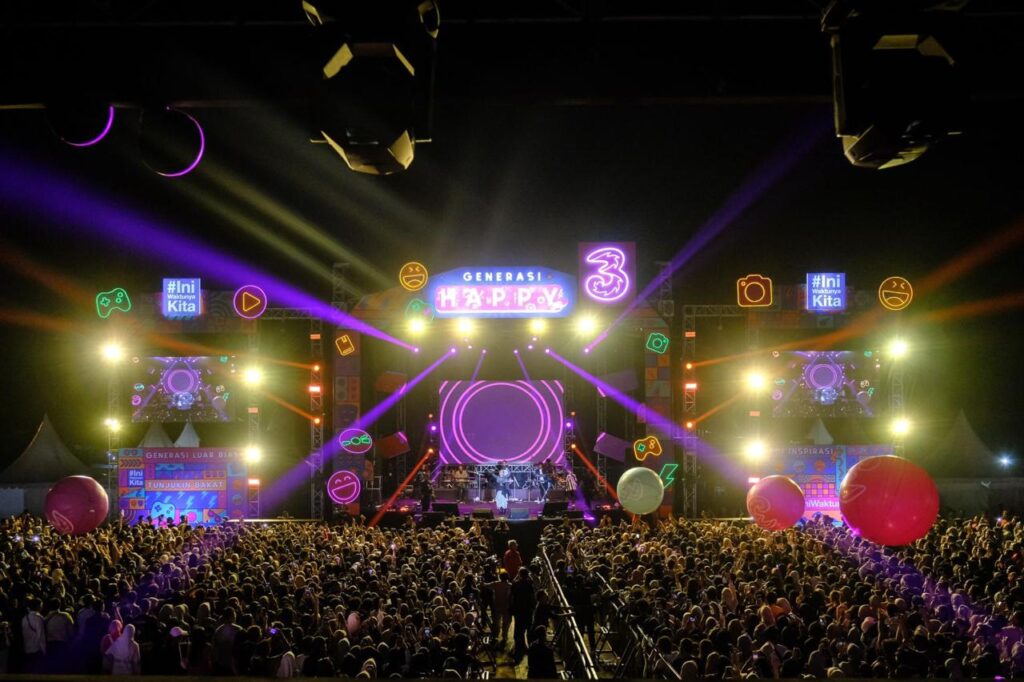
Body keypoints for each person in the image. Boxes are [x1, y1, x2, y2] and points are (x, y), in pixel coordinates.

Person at [510, 567, 535, 663]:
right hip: (528, 610)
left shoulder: (516, 584)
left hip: (518, 609)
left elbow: (512, 596)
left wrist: (511, 607)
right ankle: (530, 646)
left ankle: (519, 647)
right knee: (529, 628)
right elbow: (532, 597)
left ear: (519, 575)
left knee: (518, 629)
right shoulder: (529, 584)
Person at [211, 607, 241, 675]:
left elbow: (215, 648)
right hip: (234, 662)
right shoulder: (238, 629)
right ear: (232, 616)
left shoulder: (218, 630)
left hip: (221, 662)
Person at [486, 570, 512, 647]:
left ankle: (495, 637)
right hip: (506, 607)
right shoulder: (510, 586)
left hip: (497, 606)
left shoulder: (496, 584)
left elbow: (486, 585)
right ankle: (504, 637)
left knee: (496, 623)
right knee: (506, 624)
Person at [20, 597, 46, 672]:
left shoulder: (24, 618)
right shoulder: (38, 618)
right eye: (41, 605)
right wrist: (44, 650)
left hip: (27, 648)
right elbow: (41, 636)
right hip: (36, 649)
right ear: (37, 606)